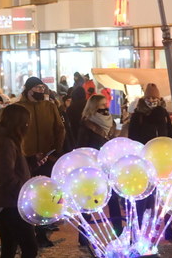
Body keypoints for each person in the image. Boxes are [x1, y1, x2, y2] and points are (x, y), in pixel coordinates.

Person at [15, 77, 65, 247]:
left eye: (42, 87)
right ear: (28, 89)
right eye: (37, 87)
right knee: (28, 197)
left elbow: (59, 129)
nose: (41, 90)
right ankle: (28, 235)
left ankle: (43, 233)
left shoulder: (49, 107)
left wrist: (55, 151)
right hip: (26, 159)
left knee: (46, 197)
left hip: (47, 157)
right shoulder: (19, 109)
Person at [0, 105, 38, 258]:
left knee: (9, 246)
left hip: (3, 198)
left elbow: (10, 168)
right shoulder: (5, 142)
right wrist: (24, 193)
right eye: (27, 122)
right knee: (29, 247)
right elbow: (5, 174)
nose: (28, 126)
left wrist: (32, 162)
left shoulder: (1, 138)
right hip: (10, 201)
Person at [128, 83, 172, 241]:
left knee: (165, 197)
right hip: (145, 160)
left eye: (154, 97)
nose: (151, 100)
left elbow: (171, 135)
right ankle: (138, 233)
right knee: (144, 197)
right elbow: (132, 137)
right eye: (149, 97)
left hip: (164, 161)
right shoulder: (138, 115)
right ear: (144, 98)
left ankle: (168, 228)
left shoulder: (163, 113)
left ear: (159, 98)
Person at [76, 95, 122, 245]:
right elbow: (81, 147)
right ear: (94, 107)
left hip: (110, 166)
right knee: (89, 199)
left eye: (106, 103)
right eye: (102, 104)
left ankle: (118, 230)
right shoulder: (87, 125)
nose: (105, 107)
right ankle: (83, 233)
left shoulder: (112, 123)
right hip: (93, 168)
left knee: (113, 199)